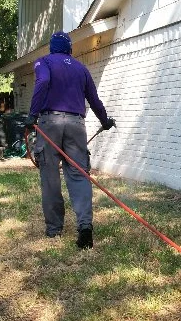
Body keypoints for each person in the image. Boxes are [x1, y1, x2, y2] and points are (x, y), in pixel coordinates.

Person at [25, 31, 115, 249]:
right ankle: (85, 226)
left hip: (49, 123)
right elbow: (94, 99)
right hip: (76, 125)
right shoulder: (81, 69)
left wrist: (32, 115)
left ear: (51, 48)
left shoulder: (43, 62)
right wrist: (105, 121)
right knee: (79, 175)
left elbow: (43, 81)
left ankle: (54, 229)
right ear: (70, 49)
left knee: (50, 177)